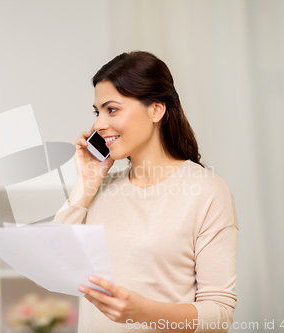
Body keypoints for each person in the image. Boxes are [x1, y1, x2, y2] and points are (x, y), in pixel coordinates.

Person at [51, 51, 239, 333]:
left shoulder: (207, 191)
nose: (99, 124)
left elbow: (220, 314)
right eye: (97, 111)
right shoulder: (99, 188)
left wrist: (143, 312)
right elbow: (55, 260)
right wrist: (87, 182)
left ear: (156, 110)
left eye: (111, 109)